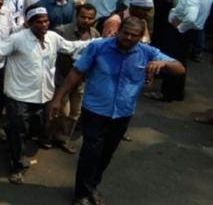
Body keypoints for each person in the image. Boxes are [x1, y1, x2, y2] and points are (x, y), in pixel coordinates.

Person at [50, 17, 184, 205]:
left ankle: (92, 186)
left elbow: (180, 69)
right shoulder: (99, 47)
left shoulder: (147, 52)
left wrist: (164, 64)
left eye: (134, 35)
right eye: (125, 33)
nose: (128, 38)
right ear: (119, 31)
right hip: (95, 110)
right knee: (91, 152)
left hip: (122, 113)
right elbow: (76, 72)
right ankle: (81, 194)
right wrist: (58, 98)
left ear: (141, 37)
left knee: (106, 153)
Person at [0, 6, 96, 184]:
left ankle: (12, 134)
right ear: (29, 23)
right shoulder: (17, 39)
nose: (44, 25)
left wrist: (98, 43)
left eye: (46, 21)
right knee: (19, 131)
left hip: (44, 95)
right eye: (39, 22)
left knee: (35, 128)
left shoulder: (53, 38)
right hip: (19, 96)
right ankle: (16, 166)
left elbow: (71, 46)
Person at [48, 3, 100, 153]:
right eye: (83, 17)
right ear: (76, 16)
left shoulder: (95, 35)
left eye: (90, 18)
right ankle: (48, 135)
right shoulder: (62, 32)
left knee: (75, 112)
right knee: (61, 110)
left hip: (81, 80)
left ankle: (63, 138)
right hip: (62, 78)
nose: (86, 20)